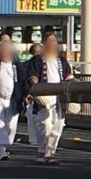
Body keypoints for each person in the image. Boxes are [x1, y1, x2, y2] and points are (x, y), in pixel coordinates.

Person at [25, 32, 74, 165]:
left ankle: (50, 152)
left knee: (58, 125)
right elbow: (32, 77)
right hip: (44, 95)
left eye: (54, 41)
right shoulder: (37, 60)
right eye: (49, 40)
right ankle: (42, 151)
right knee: (45, 124)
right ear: (44, 43)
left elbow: (69, 76)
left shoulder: (62, 61)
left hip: (59, 96)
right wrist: (37, 91)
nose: (52, 43)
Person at [23, 43, 42, 146]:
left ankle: (38, 139)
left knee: (38, 119)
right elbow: (25, 80)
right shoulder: (27, 64)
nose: (37, 55)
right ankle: (34, 139)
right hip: (31, 95)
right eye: (36, 52)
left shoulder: (46, 63)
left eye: (39, 52)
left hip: (42, 95)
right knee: (32, 118)